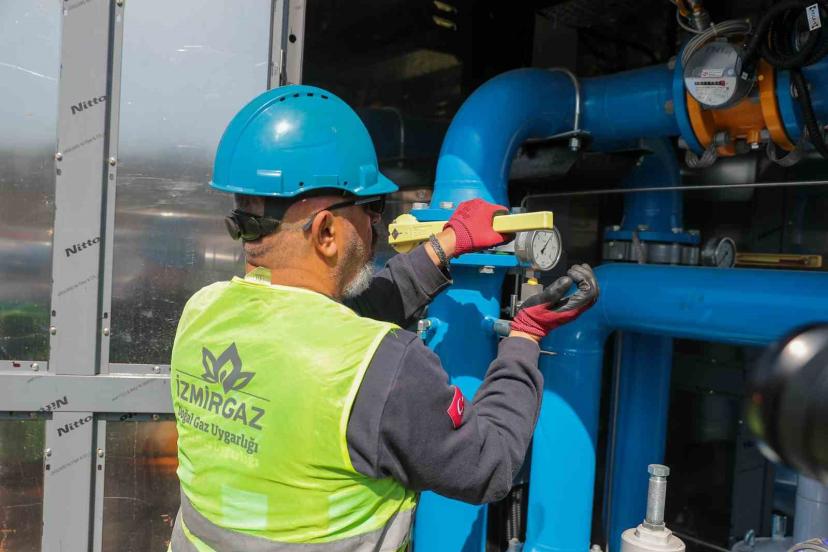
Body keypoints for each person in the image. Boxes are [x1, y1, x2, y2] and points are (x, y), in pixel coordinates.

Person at [168, 84, 599, 551]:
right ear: (326, 231)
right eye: (371, 209)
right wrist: (525, 338)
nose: (377, 223)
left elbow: (324, 323)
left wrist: (445, 245)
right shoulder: (384, 367)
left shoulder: (202, 313)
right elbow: (488, 463)